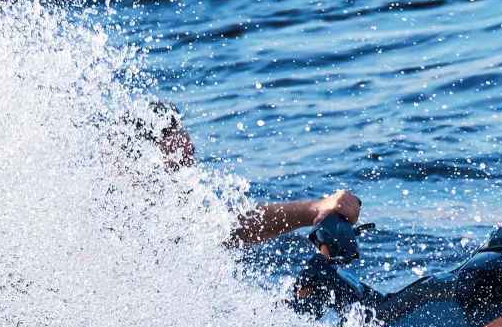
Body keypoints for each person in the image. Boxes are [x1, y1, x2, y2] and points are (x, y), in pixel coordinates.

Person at [131, 99, 361, 248]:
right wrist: (312, 210)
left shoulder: (168, 219)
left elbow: (220, 228)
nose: (187, 171)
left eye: (190, 158)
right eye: (176, 163)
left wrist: (314, 210)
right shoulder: (111, 223)